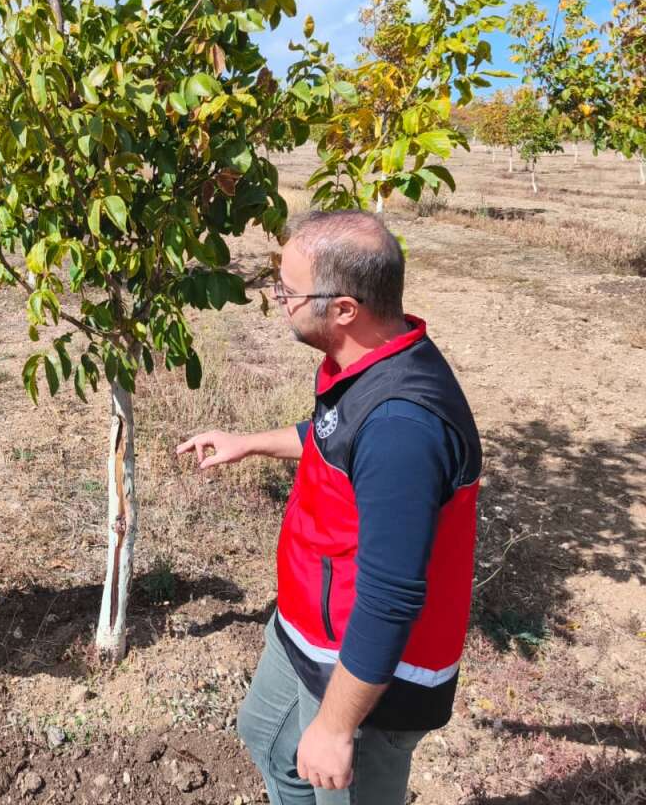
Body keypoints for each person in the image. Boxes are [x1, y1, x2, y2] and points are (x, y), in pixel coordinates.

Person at [177, 210, 481, 804]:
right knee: (267, 739)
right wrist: (252, 443)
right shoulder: (369, 365)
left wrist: (339, 727)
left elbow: (392, 596)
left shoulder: (403, 428)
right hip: (309, 632)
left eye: (289, 291)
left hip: (370, 679)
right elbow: (335, 435)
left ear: (344, 308)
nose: (277, 300)